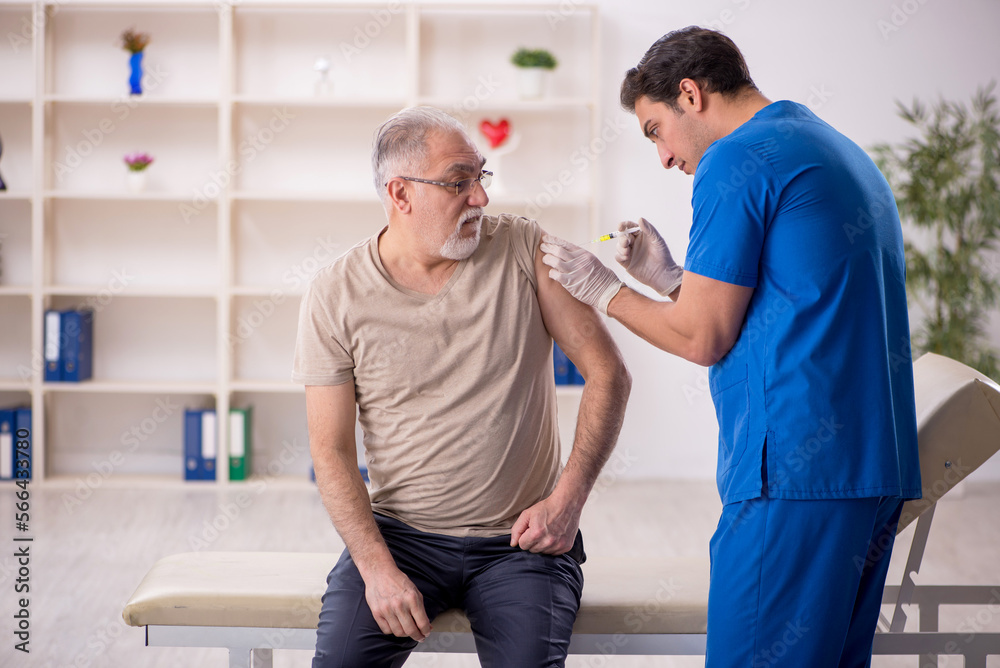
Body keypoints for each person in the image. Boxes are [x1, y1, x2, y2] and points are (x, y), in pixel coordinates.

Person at [541, 27, 921, 667]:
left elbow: (701, 336)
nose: (662, 157)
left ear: (689, 94)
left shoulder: (735, 161)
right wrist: (667, 280)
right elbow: (787, 298)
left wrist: (602, 289)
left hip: (795, 476)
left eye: (655, 130)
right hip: (869, 472)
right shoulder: (829, 146)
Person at [292, 106, 631, 668]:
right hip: (400, 539)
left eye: (481, 176)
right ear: (400, 195)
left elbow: (608, 373)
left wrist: (567, 503)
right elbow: (329, 450)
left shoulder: (524, 249)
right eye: (458, 182)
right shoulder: (335, 293)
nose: (480, 198)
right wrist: (376, 570)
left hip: (522, 543)